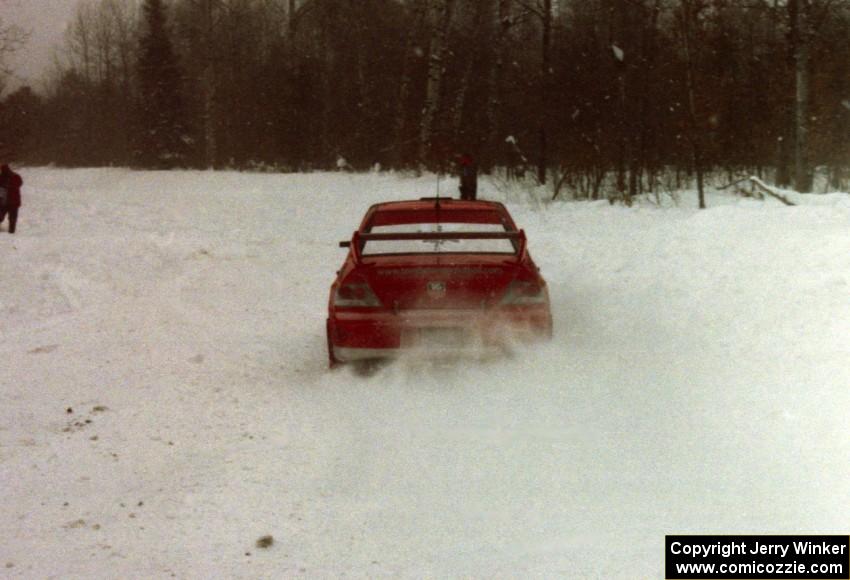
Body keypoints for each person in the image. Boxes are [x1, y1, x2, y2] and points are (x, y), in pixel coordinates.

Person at [0, 154, 23, 234]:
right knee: (12, 218)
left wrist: (7, 185)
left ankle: (11, 232)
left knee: (11, 218)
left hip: (9, 202)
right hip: (7, 202)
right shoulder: (15, 176)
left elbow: (18, 184)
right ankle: (11, 231)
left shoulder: (14, 177)